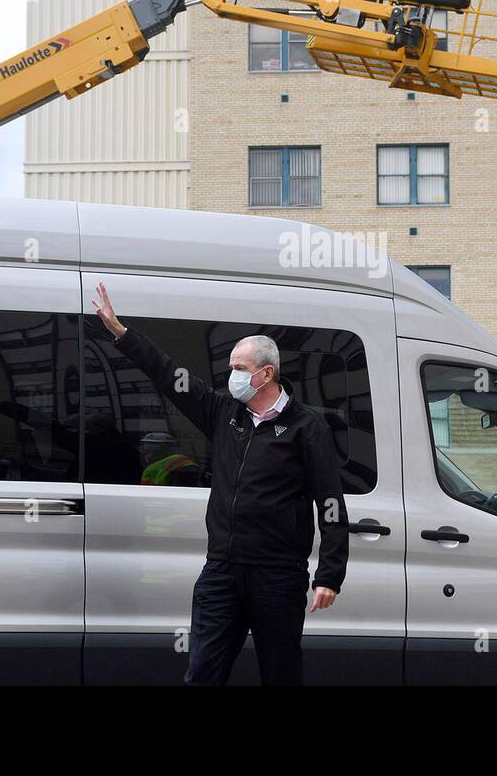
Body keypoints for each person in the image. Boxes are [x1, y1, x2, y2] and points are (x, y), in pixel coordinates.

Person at [92, 282, 348, 685]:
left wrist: (330, 574)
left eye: (239, 369)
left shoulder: (305, 426)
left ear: (266, 374)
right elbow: (170, 375)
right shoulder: (223, 413)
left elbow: (330, 502)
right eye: (230, 367)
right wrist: (122, 333)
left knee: (281, 673)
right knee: (202, 674)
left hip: (278, 575)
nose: (231, 376)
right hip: (222, 571)